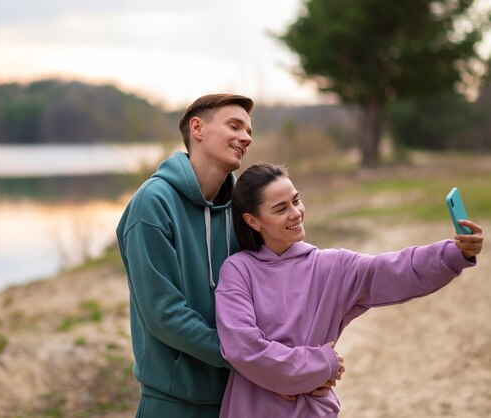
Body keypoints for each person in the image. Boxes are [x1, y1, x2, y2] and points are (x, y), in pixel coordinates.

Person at [215, 163, 484, 418]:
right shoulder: (238, 270)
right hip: (250, 408)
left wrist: (454, 253)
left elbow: (395, 269)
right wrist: (321, 365)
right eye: (281, 208)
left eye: (296, 201)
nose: (296, 213)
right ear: (253, 220)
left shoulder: (331, 266)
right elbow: (243, 348)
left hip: (310, 410)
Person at [116, 93, 254, 417]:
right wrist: (247, 355)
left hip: (237, 396)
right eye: (234, 125)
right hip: (172, 402)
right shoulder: (152, 204)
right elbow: (164, 314)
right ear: (198, 128)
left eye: (249, 131)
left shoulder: (240, 210)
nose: (246, 137)